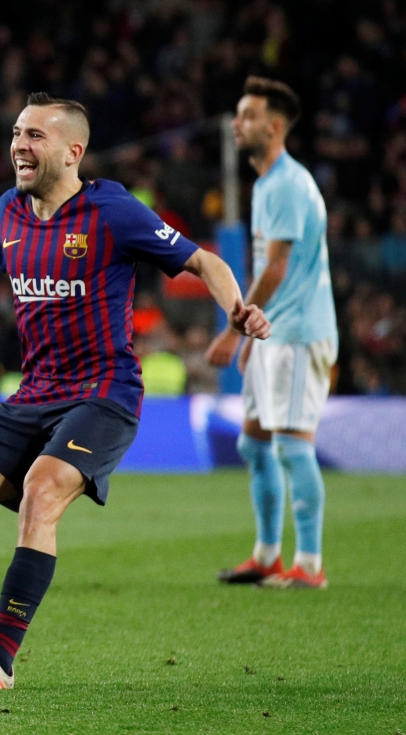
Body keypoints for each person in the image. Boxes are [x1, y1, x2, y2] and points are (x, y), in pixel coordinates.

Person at [0, 93, 271, 691]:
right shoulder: (10, 210)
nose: (19, 144)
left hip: (103, 394)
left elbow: (205, 263)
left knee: (42, 489)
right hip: (34, 392)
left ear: (73, 152)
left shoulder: (113, 210)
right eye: (17, 133)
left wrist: (236, 308)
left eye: (35, 135)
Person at [207, 77, 337, 590]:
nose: (238, 124)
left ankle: (309, 566)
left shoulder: (286, 184)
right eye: (239, 114)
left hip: (298, 332)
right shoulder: (267, 184)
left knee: (292, 446)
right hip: (273, 333)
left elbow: (277, 268)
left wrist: (234, 330)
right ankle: (266, 556)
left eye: (249, 115)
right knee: (255, 444)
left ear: (276, 126)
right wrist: (251, 339)